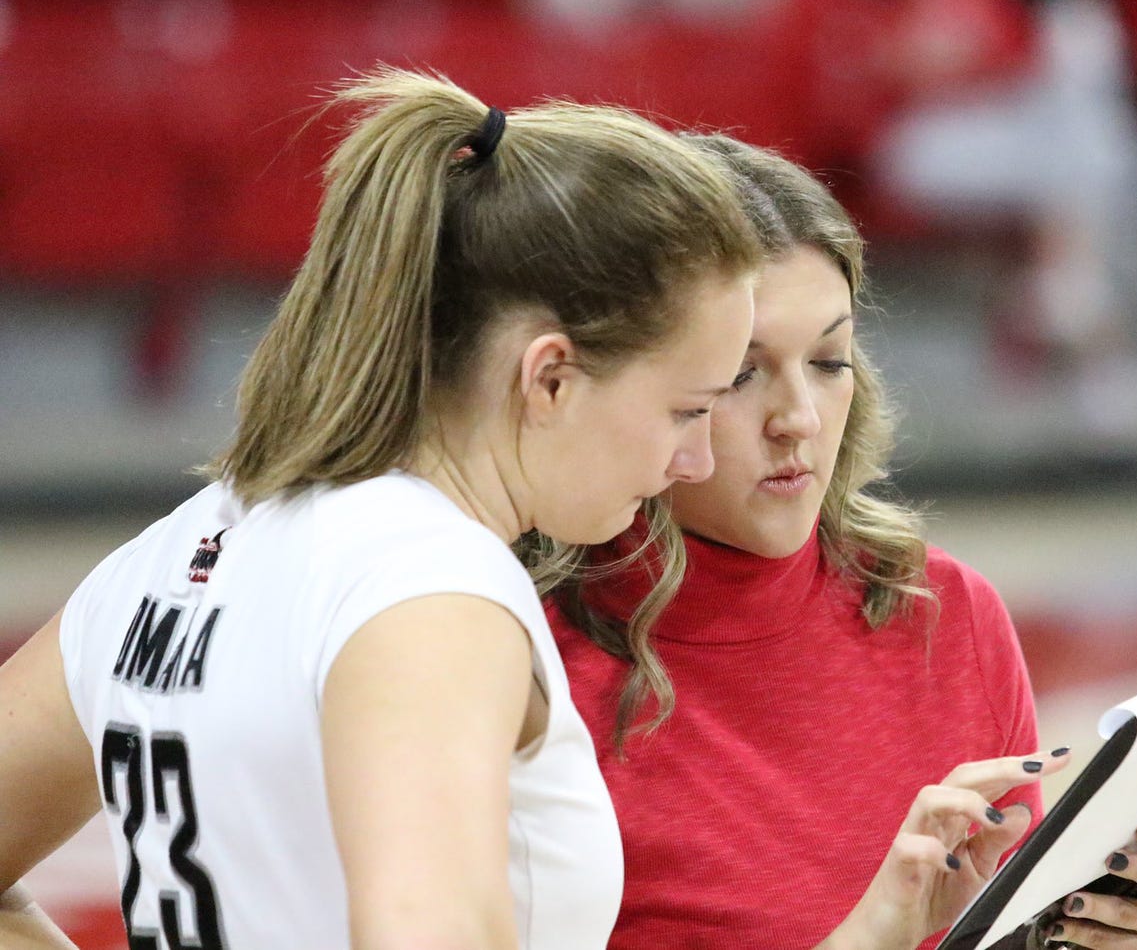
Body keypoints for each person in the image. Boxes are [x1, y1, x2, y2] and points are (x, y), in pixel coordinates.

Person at [0, 67, 766, 950]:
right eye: (688, 409)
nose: (696, 459)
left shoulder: (161, 559)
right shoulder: (431, 584)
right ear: (549, 376)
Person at [524, 134, 1137, 950]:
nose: (799, 418)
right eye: (741, 373)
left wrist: (1088, 937)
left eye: (831, 360)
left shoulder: (944, 611)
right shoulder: (523, 655)